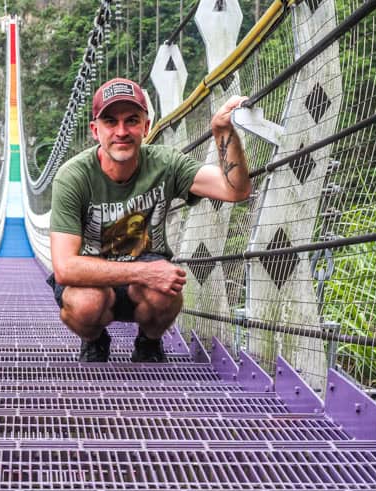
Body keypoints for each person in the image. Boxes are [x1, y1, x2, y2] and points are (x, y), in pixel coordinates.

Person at [47, 78, 251, 363]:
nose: (121, 132)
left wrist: (222, 131)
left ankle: (148, 342)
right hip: (91, 281)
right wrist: (144, 272)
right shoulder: (73, 177)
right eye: (110, 122)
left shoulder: (165, 164)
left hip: (142, 280)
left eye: (131, 121)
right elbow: (66, 268)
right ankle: (94, 339)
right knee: (86, 305)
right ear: (95, 130)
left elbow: (235, 190)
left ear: (145, 126)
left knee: (165, 295)